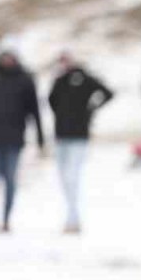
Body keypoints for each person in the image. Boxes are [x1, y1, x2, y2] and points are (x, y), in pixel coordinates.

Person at [0, 50, 44, 233]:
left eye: (10, 57)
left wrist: (40, 135)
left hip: (14, 140)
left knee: (10, 182)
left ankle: (5, 220)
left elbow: (34, 109)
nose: (7, 60)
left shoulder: (25, 78)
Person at [47, 52, 114, 234]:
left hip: (79, 135)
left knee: (72, 176)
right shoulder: (59, 80)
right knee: (63, 177)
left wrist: (90, 109)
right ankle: (71, 215)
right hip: (61, 135)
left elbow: (108, 93)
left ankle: (73, 218)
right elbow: (51, 101)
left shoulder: (85, 78)